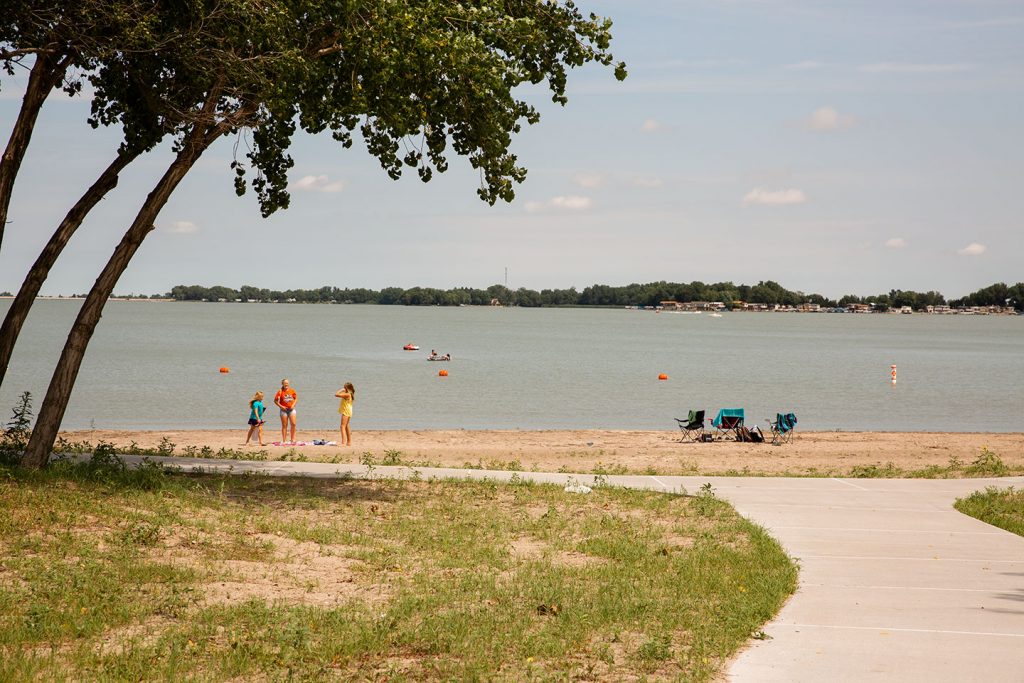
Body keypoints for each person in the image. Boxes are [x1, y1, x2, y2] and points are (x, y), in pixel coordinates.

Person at [274, 378, 298, 443]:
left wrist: (293, 405)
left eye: (287, 383)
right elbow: (275, 401)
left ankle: (292, 439)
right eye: (285, 383)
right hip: (283, 410)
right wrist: (281, 407)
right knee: (284, 425)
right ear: (282, 384)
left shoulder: (292, 390)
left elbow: (296, 399)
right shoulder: (280, 391)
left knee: (293, 424)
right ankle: (284, 440)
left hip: (291, 409)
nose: (286, 384)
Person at [335, 382, 355, 446]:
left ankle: (343, 443)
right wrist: (344, 390)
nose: (344, 388)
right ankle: (349, 442)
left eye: (345, 387)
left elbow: (336, 394)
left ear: (348, 388)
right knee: (346, 425)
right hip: (349, 410)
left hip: (346, 411)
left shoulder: (347, 394)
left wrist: (341, 389)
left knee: (342, 426)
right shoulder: (350, 394)